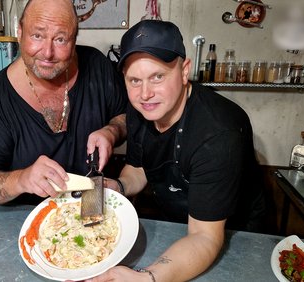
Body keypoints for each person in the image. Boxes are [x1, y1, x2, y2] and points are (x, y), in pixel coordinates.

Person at [91, 20, 266, 281]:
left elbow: (205, 236)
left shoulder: (218, 132)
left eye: (158, 76)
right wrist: (118, 187)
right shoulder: (141, 109)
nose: (145, 93)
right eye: (134, 80)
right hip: (178, 228)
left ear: (184, 71)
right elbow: (139, 169)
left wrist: (148, 277)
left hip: (234, 236)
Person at [0, 0, 127, 208]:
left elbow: (125, 117)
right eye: (37, 36)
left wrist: (112, 131)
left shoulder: (96, 65)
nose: (47, 53)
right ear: (19, 32)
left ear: (74, 40)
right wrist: (21, 179)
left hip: (92, 210)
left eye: (60, 39)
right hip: (28, 225)